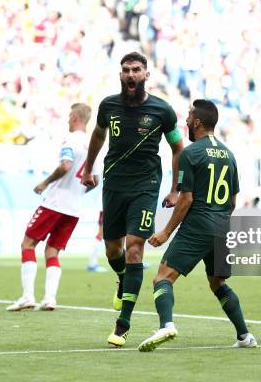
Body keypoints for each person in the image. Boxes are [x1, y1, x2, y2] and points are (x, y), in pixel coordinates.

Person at [82, 52, 184, 347]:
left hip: (145, 186)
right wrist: (88, 168)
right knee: (113, 250)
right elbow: (98, 136)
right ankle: (123, 279)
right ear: (120, 74)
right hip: (113, 183)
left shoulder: (162, 110)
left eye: (136, 70)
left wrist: (175, 188)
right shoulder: (108, 105)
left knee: (134, 249)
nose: (130, 74)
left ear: (146, 75)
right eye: (125, 70)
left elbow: (178, 148)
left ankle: (123, 324)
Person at [138, 99, 257, 352]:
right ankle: (245, 336)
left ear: (199, 122)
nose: (186, 120)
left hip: (198, 224)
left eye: (190, 116)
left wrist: (166, 232)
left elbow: (187, 199)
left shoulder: (190, 153)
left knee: (162, 277)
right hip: (223, 226)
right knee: (218, 283)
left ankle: (166, 325)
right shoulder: (229, 154)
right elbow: (233, 201)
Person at [6, 103, 98, 311]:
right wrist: (78, 192)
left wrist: (44, 183)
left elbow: (65, 165)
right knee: (52, 251)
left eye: (69, 116)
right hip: (74, 208)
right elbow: (96, 180)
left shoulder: (71, 139)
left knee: (28, 244)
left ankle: (27, 296)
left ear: (74, 116)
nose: (67, 120)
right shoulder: (95, 145)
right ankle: (49, 299)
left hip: (55, 203)